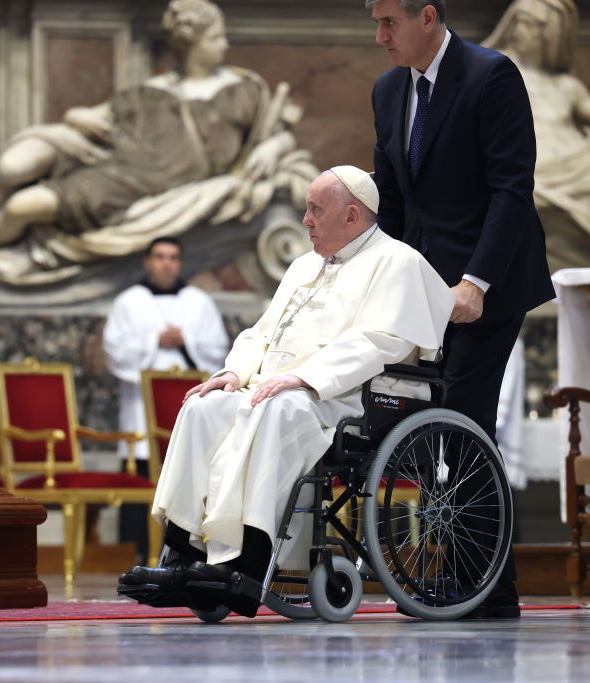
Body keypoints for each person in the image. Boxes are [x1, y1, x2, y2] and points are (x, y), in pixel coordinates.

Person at [118, 166, 455, 617]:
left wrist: (306, 377)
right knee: (203, 406)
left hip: (346, 397)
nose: (305, 221)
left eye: (316, 210)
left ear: (352, 215)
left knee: (279, 409)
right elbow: (260, 333)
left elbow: (379, 342)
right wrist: (234, 373)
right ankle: (185, 557)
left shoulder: (398, 262)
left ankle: (246, 566)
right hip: (274, 388)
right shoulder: (303, 266)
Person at [367, 0, 556, 618]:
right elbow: (393, 202)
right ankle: (435, 571)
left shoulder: (490, 74)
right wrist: (379, 281)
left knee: (468, 417)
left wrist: (474, 281)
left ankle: (485, 587)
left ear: (428, 16)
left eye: (390, 22)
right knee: (415, 421)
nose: (380, 35)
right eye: (375, 22)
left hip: (490, 280)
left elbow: (512, 187)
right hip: (423, 286)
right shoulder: (388, 90)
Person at [0, 0, 313, 293]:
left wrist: (273, 147)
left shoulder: (241, 90)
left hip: (154, 185)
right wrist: (77, 116)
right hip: (124, 172)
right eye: (216, 37)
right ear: (191, 43)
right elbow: (97, 116)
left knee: (25, 207)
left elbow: (278, 134)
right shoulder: (150, 92)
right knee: (17, 182)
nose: (225, 45)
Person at [102, 236, 229, 564]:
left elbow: (218, 350)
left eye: (173, 257)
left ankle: (187, 554)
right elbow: (114, 351)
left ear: (180, 263)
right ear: (147, 261)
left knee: (191, 477)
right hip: (141, 415)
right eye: (159, 257)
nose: (166, 263)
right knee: (143, 475)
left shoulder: (199, 302)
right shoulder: (128, 302)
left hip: (188, 405)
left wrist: (186, 341)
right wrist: (153, 340)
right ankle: (136, 554)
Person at [484, 0, 590, 273]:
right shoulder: (497, 71)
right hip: (528, 167)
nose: (521, 32)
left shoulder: (567, 86)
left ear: (552, 37)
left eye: (532, 27)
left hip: (575, 169)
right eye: (519, 23)